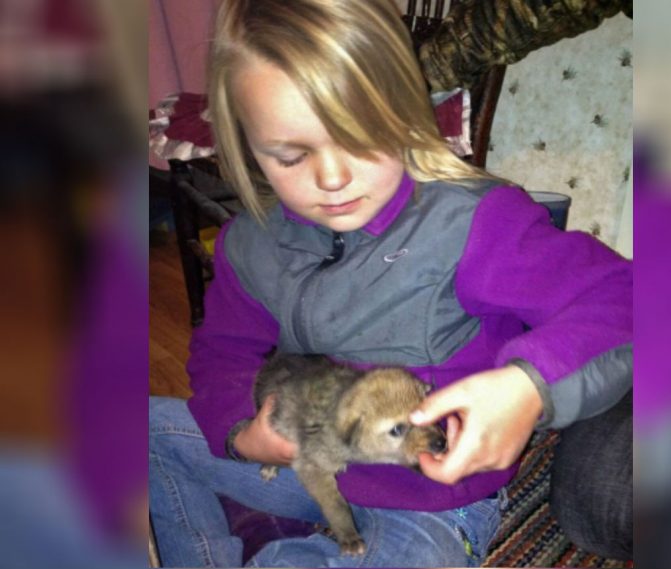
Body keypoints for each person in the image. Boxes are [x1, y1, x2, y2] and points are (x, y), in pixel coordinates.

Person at [149, 0, 633, 566]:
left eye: (359, 137)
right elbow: (222, 349)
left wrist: (530, 387)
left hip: (431, 502)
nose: (332, 178)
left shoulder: (474, 223)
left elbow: (623, 297)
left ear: (403, 112)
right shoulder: (250, 244)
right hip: (311, 463)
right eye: (290, 157)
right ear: (246, 143)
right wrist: (238, 431)